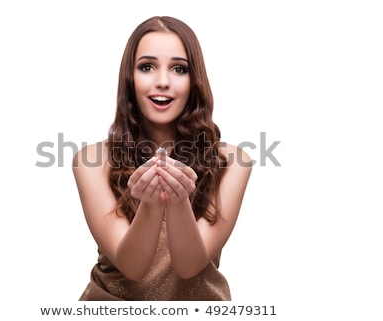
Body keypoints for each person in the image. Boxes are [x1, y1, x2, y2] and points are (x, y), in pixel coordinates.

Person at [72, 16, 252, 301]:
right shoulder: (92, 160)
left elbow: (189, 266)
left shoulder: (233, 161)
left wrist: (178, 201)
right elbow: (132, 267)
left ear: (195, 80)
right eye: (147, 67)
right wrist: (151, 206)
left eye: (179, 69)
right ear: (130, 78)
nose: (163, 82)